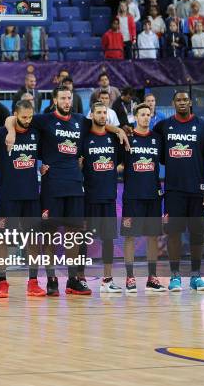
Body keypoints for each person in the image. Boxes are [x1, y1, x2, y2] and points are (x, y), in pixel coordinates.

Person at [5, 86, 129, 295]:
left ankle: (73, 279)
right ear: (54, 100)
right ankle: (51, 278)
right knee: (50, 235)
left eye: (69, 98)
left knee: (74, 235)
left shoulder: (80, 120)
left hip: (74, 185)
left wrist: (118, 130)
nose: (66, 101)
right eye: (62, 98)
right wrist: (10, 132)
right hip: (52, 186)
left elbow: (100, 125)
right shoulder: (44, 120)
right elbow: (13, 119)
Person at [153, 91, 204, 292]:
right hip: (173, 190)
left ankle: (196, 276)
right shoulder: (163, 127)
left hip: (198, 190)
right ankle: (175, 276)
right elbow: (148, 142)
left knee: (197, 234)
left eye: (185, 100)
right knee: (174, 233)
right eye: (178, 100)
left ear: (190, 102)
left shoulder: (203, 127)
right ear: (173, 103)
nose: (182, 103)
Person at [0, 100, 45, 297]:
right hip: (8, 195)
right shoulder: (0, 135)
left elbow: (44, 155)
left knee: (32, 238)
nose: (27, 121)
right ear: (15, 115)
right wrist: (5, 166)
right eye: (23, 117)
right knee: (2, 239)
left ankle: (33, 281)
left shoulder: (36, 132)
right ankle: (2, 282)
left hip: (31, 195)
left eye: (30, 117)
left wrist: (42, 167)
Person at [121, 103, 166, 293]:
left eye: (148, 114)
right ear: (135, 117)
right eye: (142, 114)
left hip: (153, 196)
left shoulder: (157, 139)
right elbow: (117, 164)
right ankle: (130, 277)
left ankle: (152, 277)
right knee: (130, 236)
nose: (146, 117)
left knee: (152, 237)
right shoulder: (127, 139)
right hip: (132, 196)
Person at [81, 102, 123, 293]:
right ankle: (80, 278)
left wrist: (115, 169)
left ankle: (107, 279)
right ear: (91, 115)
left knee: (108, 240)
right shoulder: (84, 137)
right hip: (88, 196)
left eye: (104, 112)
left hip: (108, 196)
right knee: (83, 239)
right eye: (98, 112)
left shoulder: (114, 138)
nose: (102, 115)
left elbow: (123, 162)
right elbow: (78, 163)